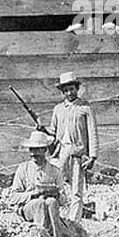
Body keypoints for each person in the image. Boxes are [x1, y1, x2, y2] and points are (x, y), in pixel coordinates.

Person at [50, 71, 98, 221]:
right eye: (65, 90)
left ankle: (74, 220)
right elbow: (53, 131)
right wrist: (42, 131)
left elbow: (92, 133)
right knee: (57, 185)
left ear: (77, 89)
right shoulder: (58, 109)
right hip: (61, 152)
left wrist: (92, 157)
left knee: (76, 189)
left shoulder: (85, 108)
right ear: (62, 92)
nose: (69, 93)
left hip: (77, 152)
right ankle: (57, 217)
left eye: (71, 89)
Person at [7, 130, 66, 237]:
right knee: (39, 204)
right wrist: (34, 193)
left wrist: (56, 194)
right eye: (32, 150)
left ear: (45, 150)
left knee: (51, 202)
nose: (34, 154)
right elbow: (13, 197)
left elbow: (64, 200)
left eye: (38, 150)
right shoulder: (23, 168)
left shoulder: (55, 171)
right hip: (28, 209)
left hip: (49, 209)